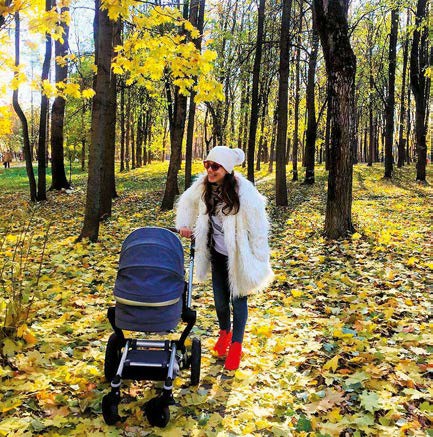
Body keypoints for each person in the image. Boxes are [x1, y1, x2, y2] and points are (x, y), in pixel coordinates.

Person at [175, 146, 274, 370]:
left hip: (239, 257)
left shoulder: (244, 192)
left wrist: (259, 258)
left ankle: (236, 345)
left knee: (238, 301)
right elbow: (187, 203)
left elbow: (259, 227)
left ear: (227, 169)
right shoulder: (203, 186)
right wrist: (184, 225)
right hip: (217, 254)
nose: (210, 170)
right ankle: (224, 333)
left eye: (215, 166)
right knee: (220, 303)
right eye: (207, 165)